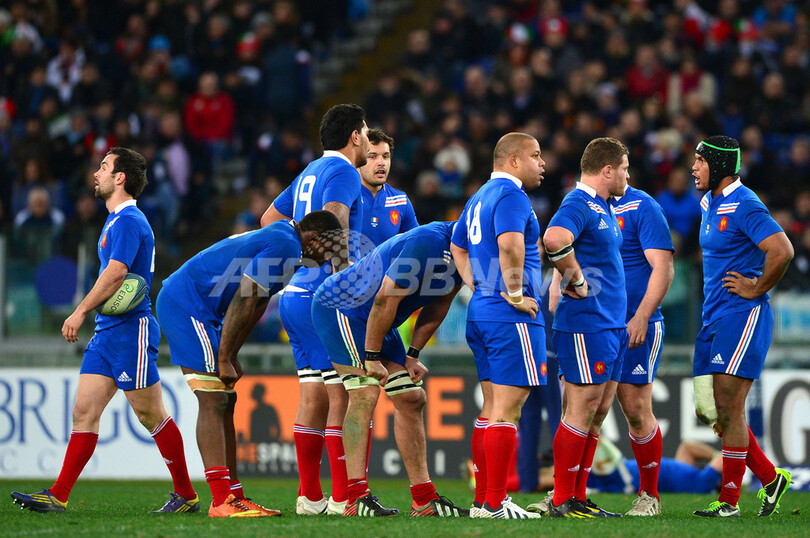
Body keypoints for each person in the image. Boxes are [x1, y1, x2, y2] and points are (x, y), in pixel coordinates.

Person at [11, 148, 198, 514]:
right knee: (84, 411)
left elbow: (115, 273)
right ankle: (58, 494)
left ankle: (186, 496)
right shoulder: (116, 220)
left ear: (120, 178)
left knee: (150, 415)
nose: (96, 173)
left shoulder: (129, 220)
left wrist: (79, 311)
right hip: (109, 330)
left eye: (104, 167)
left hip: (132, 330)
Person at [156, 210, 341, 518]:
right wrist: (225, 357)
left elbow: (257, 302)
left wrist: (233, 353)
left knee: (226, 399)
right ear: (313, 239)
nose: (325, 262)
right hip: (188, 304)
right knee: (213, 398)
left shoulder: (286, 239)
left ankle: (233, 495)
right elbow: (244, 296)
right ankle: (221, 500)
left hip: (204, 309)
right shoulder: (287, 245)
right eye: (327, 251)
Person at [312, 221, 468, 517]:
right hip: (342, 308)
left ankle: (424, 500)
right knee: (364, 393)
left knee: (412, 398)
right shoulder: (429, 242)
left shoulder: (464, 252)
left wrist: (413, 354)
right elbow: (386, 296)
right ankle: (355, 498)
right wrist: (371, 356)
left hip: (378, 318)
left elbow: (439, 307)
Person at [260, 103, 369, 516]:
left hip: (294, 295)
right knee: (341, 394)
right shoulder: (343, 171)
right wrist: (343, 277)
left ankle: (309, 496)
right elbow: (337, 217)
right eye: (365, 132)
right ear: (355, 136)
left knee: (311, 395)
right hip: (324, 295)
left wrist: (297, 258)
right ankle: (345, 498)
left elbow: (270, 218)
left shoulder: (308, 171)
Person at [690, 135, 794, 518]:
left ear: (717, 166)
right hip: (713, 317)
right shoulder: (708, 202)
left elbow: (782, 250)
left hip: (742, 316)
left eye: (700, 161)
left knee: (730, 407)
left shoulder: (745, 203)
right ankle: (770, 478)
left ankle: (729, 502)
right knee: (711, 410)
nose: (693, 168)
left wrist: (756, 287)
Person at [450, 132, 547, 519]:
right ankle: (494, 502)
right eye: (535, 156)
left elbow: (458, 245)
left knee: (491, 408)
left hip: (481, 311)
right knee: (509, 409)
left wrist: (475, 282)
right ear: (512, 161)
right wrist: (515, 292)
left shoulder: (477, 198)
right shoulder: (511, 196)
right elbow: (510, 244)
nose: (542, 163)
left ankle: (482, 501)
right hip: (511, 317)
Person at [541, 137, 629, 518]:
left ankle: (576, 495)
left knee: (597, 409)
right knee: (580, 409)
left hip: (608, 325)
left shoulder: (603, 207)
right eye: (625, 168)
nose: (628, 175)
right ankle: (562, 498)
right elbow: (555, 239)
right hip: (586, 324)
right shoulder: (579, 202)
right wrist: (575, 281)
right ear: (607, 169)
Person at [579, 438, 724, 495]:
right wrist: (714, 456)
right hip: (622, 471)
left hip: (621, 476)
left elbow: (725, 456)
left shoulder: (702, 484)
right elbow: (687, 447)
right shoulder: (692, 476)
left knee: (592, 434)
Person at [359, 128, 418, 247]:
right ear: (358, 160)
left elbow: (416, 244)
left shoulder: (401, 201)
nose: (381, 163)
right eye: (372, 156)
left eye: (386, 156)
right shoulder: (345, 198)